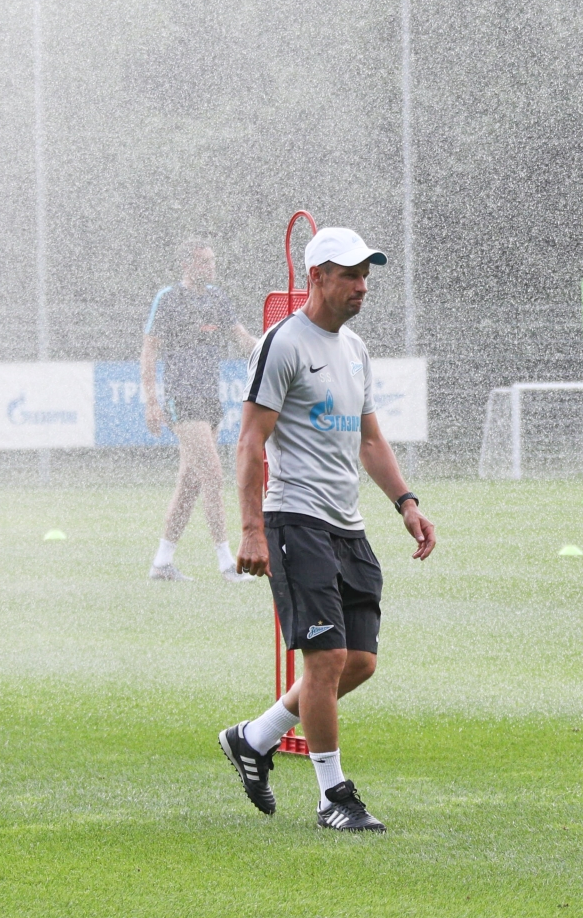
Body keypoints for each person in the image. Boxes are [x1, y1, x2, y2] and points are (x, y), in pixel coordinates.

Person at [217, 226, 436, 833]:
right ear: (316, 278)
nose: (362, 286)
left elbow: (369, 438)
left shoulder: (357, 349)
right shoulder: (282, 344)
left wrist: (406, 502)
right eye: (349, 275)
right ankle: (333, 796)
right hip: (295, 519)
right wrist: (252, 529)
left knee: (358, 661)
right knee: (326, 657)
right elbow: (249, 441)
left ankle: (253, 737)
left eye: (366, 275)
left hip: (348, 523)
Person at [141, 239, 258, 583]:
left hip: (210, 401)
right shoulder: (169, 299)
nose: (212, 266)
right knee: (213, 474)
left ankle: (162, 563)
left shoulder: (218, 299)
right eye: (205, 262)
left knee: (190, 483)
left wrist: (275, 345)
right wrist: (151, 401)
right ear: (187, 265)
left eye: (213, 261)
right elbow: (149, 350)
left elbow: (242, 339)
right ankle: (227, 564)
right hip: (183, 399)